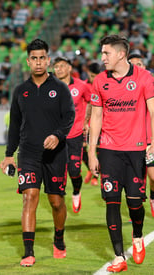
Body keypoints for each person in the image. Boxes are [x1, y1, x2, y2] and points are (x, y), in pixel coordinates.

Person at [0, 39, 75, 267]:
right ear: (28, 61)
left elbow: (69, 117)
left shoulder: (60, 88)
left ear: (48, 60)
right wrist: (9, 154)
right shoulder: (20, 91)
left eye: (43, 57)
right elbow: (15, 125)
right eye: (34, 58)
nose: (39, 62)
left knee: (56, 202)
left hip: (56, 154)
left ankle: (59, 238)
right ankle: (28, 252)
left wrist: (57, 136)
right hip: (29, 154)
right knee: (29, 197)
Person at [88, 35, 154, 272]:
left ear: (121, 54)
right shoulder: (99, 81)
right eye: (101, 53)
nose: (102, 58)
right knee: (111, 202)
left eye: (106, 53)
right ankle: (119, 257)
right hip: (109, 150)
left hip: (136, 150)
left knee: (134, 203)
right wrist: (92, 152)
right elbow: (96, 117)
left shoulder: (144, 78)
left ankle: (138, 237)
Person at [128, 53, 154, 218]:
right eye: (134, 64)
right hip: (131, 141)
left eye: (140, 63)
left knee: (153, 177)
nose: (137, 66)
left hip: (152, 140)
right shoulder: (125, 86)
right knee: (135, 182)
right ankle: (136, 213)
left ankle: (153, 197)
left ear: (145, 67)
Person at [53, 57, 91, 213]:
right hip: (57, 136)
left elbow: (91, 102)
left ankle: (76, 192)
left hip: (75, 134)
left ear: (69, 68)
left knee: (74, 170)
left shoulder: (82, 86)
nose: (59, 69)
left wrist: (86, 121)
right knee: (57, 173)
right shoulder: (50, 87)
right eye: (56, 67)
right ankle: (59, 206)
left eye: (62, 66)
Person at [83, 62, 101, 186]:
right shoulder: (83, 86)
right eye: (91, 75)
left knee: (99, 150)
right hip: (84, 123)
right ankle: (91, 169)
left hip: (98, 123)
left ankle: (95, 175)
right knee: (82, 149)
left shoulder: (101, 85)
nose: (93, 78)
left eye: (95, 76)